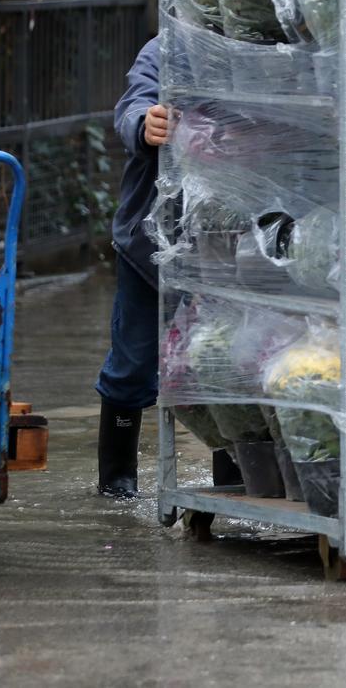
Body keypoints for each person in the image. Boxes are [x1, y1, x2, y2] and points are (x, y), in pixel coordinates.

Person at [96, 37, 237, 497]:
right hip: (151, 246)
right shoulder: (166, 49)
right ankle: (116, 481)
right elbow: (134, 103)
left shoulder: (258, 55)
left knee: (230, 360)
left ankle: (237, 477)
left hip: (232, 248)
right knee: (134, 362)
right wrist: (145, 124)